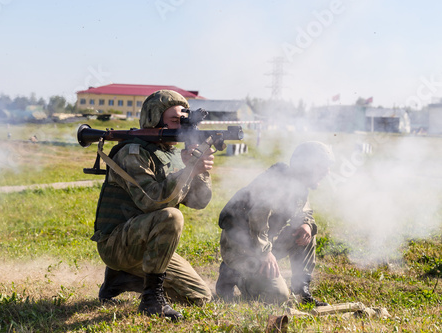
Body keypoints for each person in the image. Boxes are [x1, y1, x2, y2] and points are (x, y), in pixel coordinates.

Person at [91, 90, 215, 321]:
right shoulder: (132, 152)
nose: (182, 127)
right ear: (154, 120)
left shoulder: (173, 154)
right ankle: (151, 299)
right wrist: (189, 169)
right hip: (117, 243)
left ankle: (122, 278)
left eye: (185, 121)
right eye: (176, 121)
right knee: (171, 217)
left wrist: (200, 171)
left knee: (199, 296)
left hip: (145, 243)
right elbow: (152, 201)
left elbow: (199, 202)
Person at [215, 141, 334, 306]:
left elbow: (305, 212)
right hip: (241, 248)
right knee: (277, 295)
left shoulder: (298, 184)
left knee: (306, 232)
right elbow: (257, 218)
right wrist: (264, 253)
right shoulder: (276, 183)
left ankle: (302, 290)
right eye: (322, 167)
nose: (327, 172)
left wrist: (306, 224)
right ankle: (233, 274)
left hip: (263, 243)